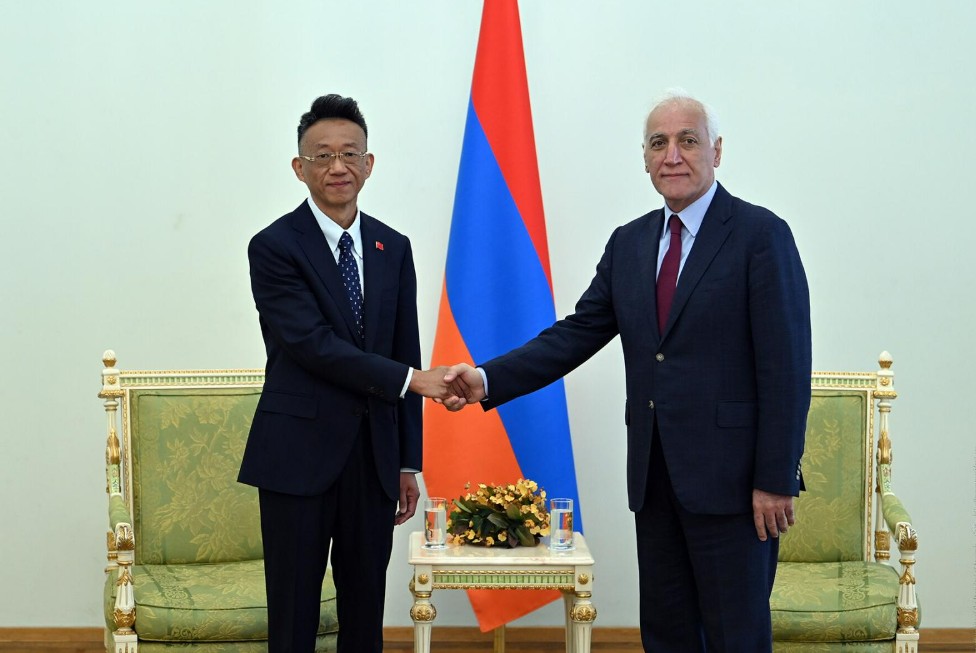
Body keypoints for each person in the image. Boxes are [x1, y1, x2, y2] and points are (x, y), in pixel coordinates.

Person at [441, 90, 812, 652]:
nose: (672, 155)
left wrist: (775, 478)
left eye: (688, 140)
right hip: (655, 480)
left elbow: (787, 369)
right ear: (644, 158)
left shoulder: (761, 235)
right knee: (665, 635)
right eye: (658, 143)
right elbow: (574, 335)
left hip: (736, 488)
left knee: (735, 637)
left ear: (716, 151)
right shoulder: (630, 243)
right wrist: (486, 379)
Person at [238, 94, 454, 653]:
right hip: (296, 457)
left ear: (368, 163)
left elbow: (405, 345)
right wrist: (412, 379)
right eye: (323, 155)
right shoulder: (274, 247)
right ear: (299, 167)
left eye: (350, 153)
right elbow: (314, 346)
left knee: (364, 614)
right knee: (294, 615)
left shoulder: (392, 247)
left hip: (373, 460)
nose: (338, 166)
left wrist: (406, 461)